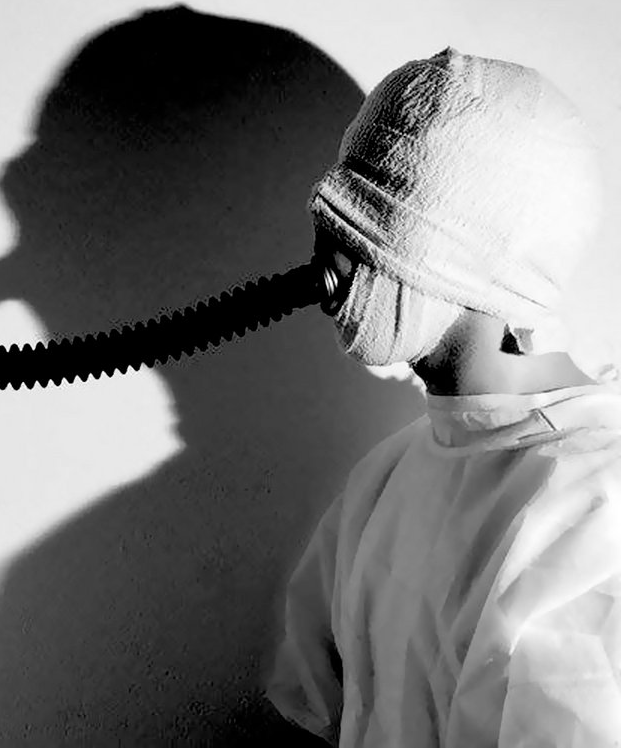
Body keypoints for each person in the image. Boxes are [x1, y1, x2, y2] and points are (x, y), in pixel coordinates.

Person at [265, 47, 621, 746]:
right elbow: (313, 701)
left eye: (369, 215)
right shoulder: (383, 482)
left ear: (482, 250)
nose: (330, 252)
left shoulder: (596, 514)